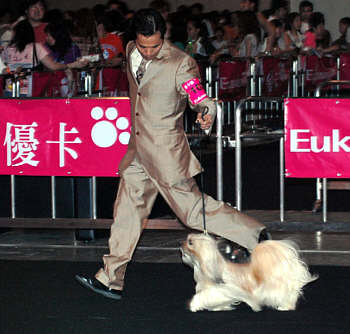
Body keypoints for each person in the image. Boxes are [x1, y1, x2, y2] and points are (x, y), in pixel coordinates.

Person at [75, 8, 268, 300]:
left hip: (167, 154)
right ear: (134, 39)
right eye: (143, 46)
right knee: (125, 215)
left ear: (163, 36)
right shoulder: (129, 50)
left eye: (155, 45)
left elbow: (198, 96)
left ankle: (255, 236)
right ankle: (110, 278)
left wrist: (207, 111)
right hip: (137, 151)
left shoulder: (182, 63)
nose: (149, 51)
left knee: (193, 212)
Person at [1, 19, 87, 97]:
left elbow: (3, 68)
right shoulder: (36, 47)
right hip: (30, 92)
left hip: (9, 90)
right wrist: (69, 65)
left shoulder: (7, 49)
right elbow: (53, 66)